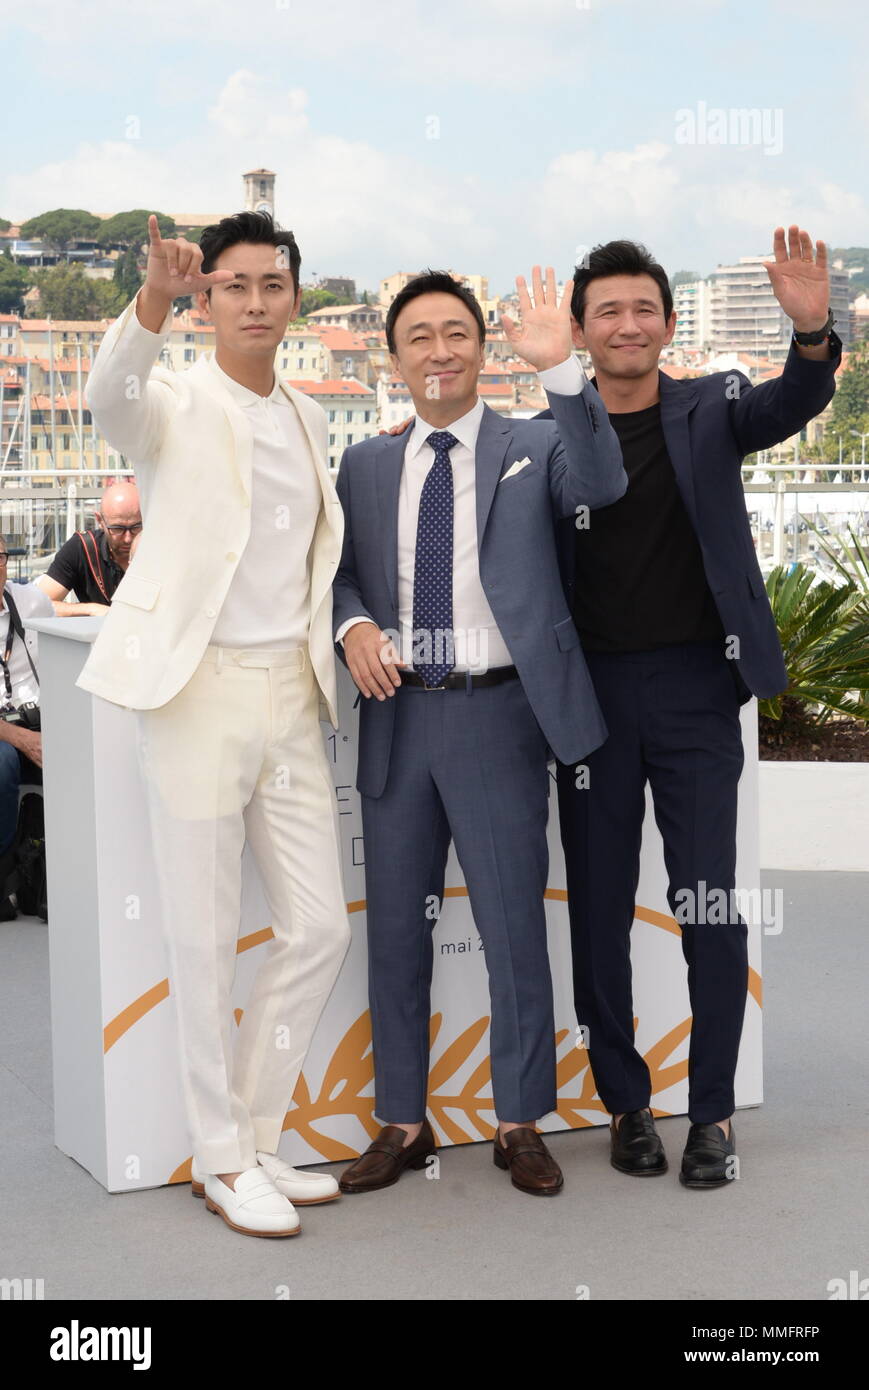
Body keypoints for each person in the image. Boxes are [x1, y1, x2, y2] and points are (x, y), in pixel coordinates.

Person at [546, 227, 841, 1188]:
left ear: (668, 325)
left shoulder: (710, 406)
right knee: (596, 909)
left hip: (696, 692)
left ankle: (708, 1113)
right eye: (607, 312)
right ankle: (626, 1107)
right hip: (590, 701)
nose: (626, 325)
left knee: (707, 904)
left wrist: (810, 333)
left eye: (643, 309)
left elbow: (795, 400)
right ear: (581, 332)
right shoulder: (549, 430)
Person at [76, 212, 352, 1238]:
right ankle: (220, 1154)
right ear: (205, 301)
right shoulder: (173, 401)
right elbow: (109, 396)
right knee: (199, 940)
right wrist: (146, 300)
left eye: (270, 285)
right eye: (230, 286)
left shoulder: (312, 417)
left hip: (292, 688)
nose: (252, 301)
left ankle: (258, 1133)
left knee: (318, 925)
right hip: (196, 690)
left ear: (292, 297)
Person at [332, 267, 626, 1197]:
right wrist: (352, 627)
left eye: (455, 333)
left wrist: (564, 371)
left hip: (500, 717)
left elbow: (606, 481)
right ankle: (403, 1122)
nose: (438, 351)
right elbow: (336, 575)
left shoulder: (535, 445)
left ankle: (518, 1122)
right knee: (395, 938)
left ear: (481, 347)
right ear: (394, 357)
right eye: (418, 336)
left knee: (510, 931)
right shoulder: (367, 465)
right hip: (396, 719)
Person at [0, 540, 54, 902]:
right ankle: (4, 869)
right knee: (2, 763)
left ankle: (60, 868)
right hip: (7, 737)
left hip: (39, 719)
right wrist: (22, 739)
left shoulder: (32, 601)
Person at [35, 483, 142, 615]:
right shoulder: (81, 548)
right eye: (117, 529)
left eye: (136, 527)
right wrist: (91, 609)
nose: (128, 538)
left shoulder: (161, 548)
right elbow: (40, 604)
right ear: (99, 520)